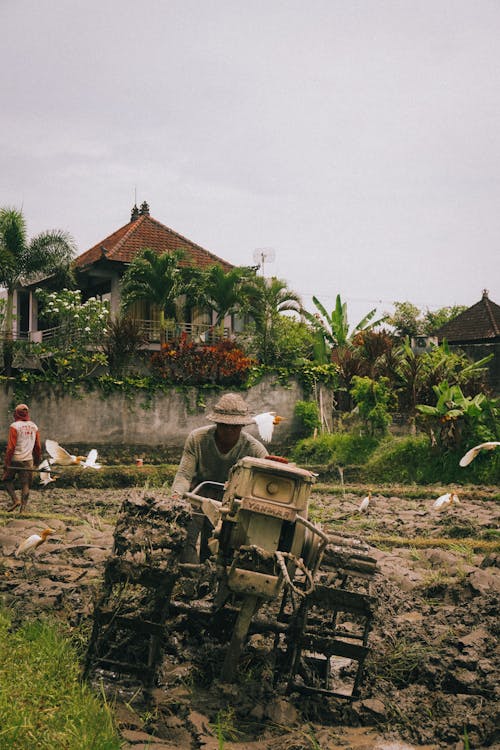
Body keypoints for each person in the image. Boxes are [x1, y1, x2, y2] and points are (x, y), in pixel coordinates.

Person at [171, 392, 268, 562]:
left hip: (231, 500)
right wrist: (176, 496)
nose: (229, 430)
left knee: (218, 545)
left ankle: (207, 580)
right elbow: (184, 475)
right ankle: (190, 576)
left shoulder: (255, 450)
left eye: (235, 427)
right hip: (199, 492)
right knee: (185, 537)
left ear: (242, 426)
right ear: (216, 423)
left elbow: (266, 482)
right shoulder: (198, 439)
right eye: (224, 425)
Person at [3, 403, 42, 512]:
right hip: (28, 460)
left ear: (16, 414)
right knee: (25, 484)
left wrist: (7, 463)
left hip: (15, 459)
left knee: (6, 480)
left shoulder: (14, 426)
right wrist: (37, 461)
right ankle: (23, 510)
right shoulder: (34, 426)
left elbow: (11, 447)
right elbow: (37, 446)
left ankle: (15, 500)